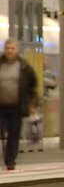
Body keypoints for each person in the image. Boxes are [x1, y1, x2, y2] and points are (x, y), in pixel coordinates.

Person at [0, 38, 39, 170]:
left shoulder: (25, 67)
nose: (9, 51)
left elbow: (33, 87)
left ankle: (10, 160)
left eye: (12, 48)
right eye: (7, 48)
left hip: (17, 107)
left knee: (14, 133)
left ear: (17, 50)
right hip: (1, 106)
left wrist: (33, 104)